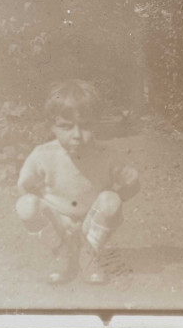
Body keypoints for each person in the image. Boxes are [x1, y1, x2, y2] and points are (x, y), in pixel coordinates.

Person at [15, 79, 140, 285]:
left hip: (91, 222)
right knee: (25, 205)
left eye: (86, 126)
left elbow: (131, 188)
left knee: (111, 199)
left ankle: (88, 252)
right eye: (66, 127)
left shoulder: (107, 155)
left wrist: (130, 184)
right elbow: (25, 189)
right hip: (60, 221)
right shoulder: (43, 155)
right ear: (52, 126)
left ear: (96, 124)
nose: (77, 135)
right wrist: (56, 220)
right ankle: (61, 251)